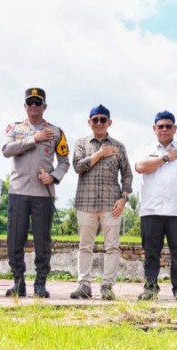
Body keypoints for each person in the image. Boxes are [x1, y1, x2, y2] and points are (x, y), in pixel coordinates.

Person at [1, 88, 70, 298]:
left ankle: (40, 283)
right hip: (19, 191)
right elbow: (6, 150)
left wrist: (54, 176)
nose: (33, 106)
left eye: (37, 102)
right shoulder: (14, 128)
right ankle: (18, 282)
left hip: (43, 193)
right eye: (29, 102)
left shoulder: (57, 131)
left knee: (42, 241)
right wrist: (34, 138)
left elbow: (65, 161)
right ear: (24, 106)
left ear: (44, 106)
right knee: (15, 240)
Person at [134, 111, 177, 301]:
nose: (164, 129)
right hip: (151, 211)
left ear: (175, 128)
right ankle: (150, 288)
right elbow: (140, 167)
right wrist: (165, 158)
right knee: (151, 254)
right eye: (160, 126)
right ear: (154, 128)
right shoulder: (145, 148)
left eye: (168, 126)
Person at [69, 104, 133, 301]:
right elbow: (78, 167)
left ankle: (107, 286)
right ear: (89, 122)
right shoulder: (81, 144)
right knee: (85, 246)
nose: (99, 123)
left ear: (109, 123)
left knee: (112, 246)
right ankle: (84, 285)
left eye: (102, 120)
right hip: (86, 202)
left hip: (111, 204)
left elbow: (127, 175)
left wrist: (124, 198)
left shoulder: (119, 146)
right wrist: (100, 154)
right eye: (95, 119)